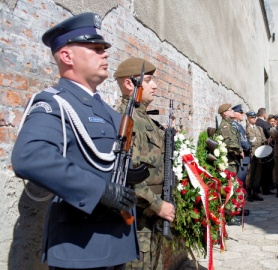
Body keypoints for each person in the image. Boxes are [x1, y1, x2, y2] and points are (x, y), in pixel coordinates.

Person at [11, 13, 139, 269]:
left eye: (104, 49)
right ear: (67, 57)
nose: (105, 54)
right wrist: (100, 191)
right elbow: (29, 157)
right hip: (82, 245)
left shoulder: (107, 111)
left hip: (117, 240)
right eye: (95, 48)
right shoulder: (53, 103)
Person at [114, 57, 176, 270]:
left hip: (152, 218)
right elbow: (127, 174)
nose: (155, 85)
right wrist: (159, 206)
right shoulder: (127, 120)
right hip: (136, 220)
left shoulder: (145, 119)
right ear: (130, 83)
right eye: (148, 80)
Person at [245, 111, 267, 202]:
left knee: (258, 174)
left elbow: (263, 139)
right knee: (250, 174)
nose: (254, 119)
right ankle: (249, 193)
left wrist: (266, 141)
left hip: (259, 154)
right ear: (248, 119)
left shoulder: (259, 129)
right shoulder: (246, 129)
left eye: (255, 117)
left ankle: (255, 192)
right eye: (252, 117)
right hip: (251, 153)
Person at [216, 103, 243, 173]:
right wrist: (240, 150)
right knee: (231, 182)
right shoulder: (225, 126)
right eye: (231, 110)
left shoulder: (229, 125)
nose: (233, 111)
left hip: (233, 160)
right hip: (229, 161)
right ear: (225, 113)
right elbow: (228, 143)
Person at [257, 108, 275, 195]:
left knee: (258, 171)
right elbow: (270, 135)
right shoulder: (264, 123)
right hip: (266, 149)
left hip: (258, 150)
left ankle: (258, 188)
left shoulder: (256, 122)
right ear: (264, 115)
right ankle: (266, 189)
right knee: (267, 171)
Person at [231, 104, 251, 183]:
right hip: (242, 155)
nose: (243, 114)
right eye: (241, 112)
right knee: (240, 179)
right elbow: (242, 140)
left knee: (244, 177)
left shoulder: (238, 125)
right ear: (235, 114)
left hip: (245, 154)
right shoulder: (235, 125)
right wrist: (248, 147)